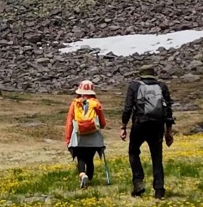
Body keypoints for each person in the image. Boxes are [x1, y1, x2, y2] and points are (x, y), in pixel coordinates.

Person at [120, 66, 174, 198]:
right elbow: (168, 110)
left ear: (141, 75)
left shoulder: (134, 86)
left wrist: (123, 126)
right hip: (157, 126)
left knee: (133, 152)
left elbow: (128, 108)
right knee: (157, 157)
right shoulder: (162, 86)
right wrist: (169, 131)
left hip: (140, 124)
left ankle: (138, 182)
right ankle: (159, 189)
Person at [63, 80, 107, 187]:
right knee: (90, 159)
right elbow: (103, 124)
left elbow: (69, 122)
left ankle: (82, 175)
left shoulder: (75, 103)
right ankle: (90, 180)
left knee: (81, 158)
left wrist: (68, 139)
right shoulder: (96, 103)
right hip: (93, 137)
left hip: (79, 136)